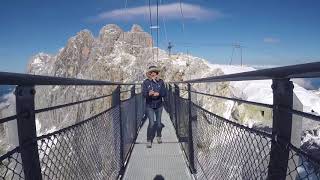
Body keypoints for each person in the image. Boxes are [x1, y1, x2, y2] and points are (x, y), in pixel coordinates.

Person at [142, 65, 167, 148]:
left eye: (155, 72)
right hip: (149, 105)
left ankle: (158, 136)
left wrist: (159, 93)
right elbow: (143, 94)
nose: (153, 74)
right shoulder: (146, 82)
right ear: (149, 74)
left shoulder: (161, 82)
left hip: (159, 105)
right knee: (152, 123)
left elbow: (165, 93)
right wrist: (148, 94)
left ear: (157, 73)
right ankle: (149, 140)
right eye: (151, 72)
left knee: (159, 124)